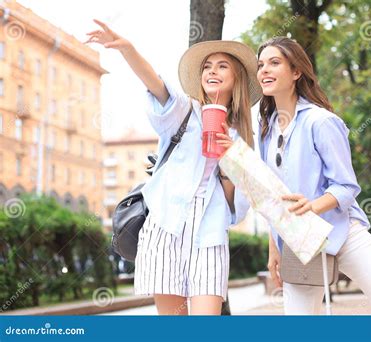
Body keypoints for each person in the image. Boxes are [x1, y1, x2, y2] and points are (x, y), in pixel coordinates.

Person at [85, 19, 260, 315]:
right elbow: (154, 82)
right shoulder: (184, 110)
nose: (212, 71)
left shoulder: (241, 137)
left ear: (237, 77)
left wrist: (228, 161)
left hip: (210, 232)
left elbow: (235, 208)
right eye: (207, 66)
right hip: (165, 227)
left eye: (222, 66)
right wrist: (127, 49)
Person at [256, 37, 371, 315]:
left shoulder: (321, 121)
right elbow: (273, 197)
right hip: (299, 242)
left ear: (296, 72)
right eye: (260, 65)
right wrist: (275, 248)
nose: (264, 70)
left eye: (274, 62)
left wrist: (313, 206)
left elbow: (345, 186)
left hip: (344, 232)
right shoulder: (266, 131)